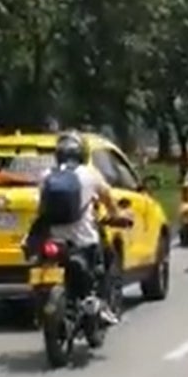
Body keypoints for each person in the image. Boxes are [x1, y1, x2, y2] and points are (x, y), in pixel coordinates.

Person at [34, 132, 122, 325]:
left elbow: (39, 207)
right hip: (84, 240)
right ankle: (100, 305)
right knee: (106, 258)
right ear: (81, 153)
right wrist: (117, 216)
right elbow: (108, 199)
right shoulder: (89, 174)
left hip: (53, 240)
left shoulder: (46, 176)